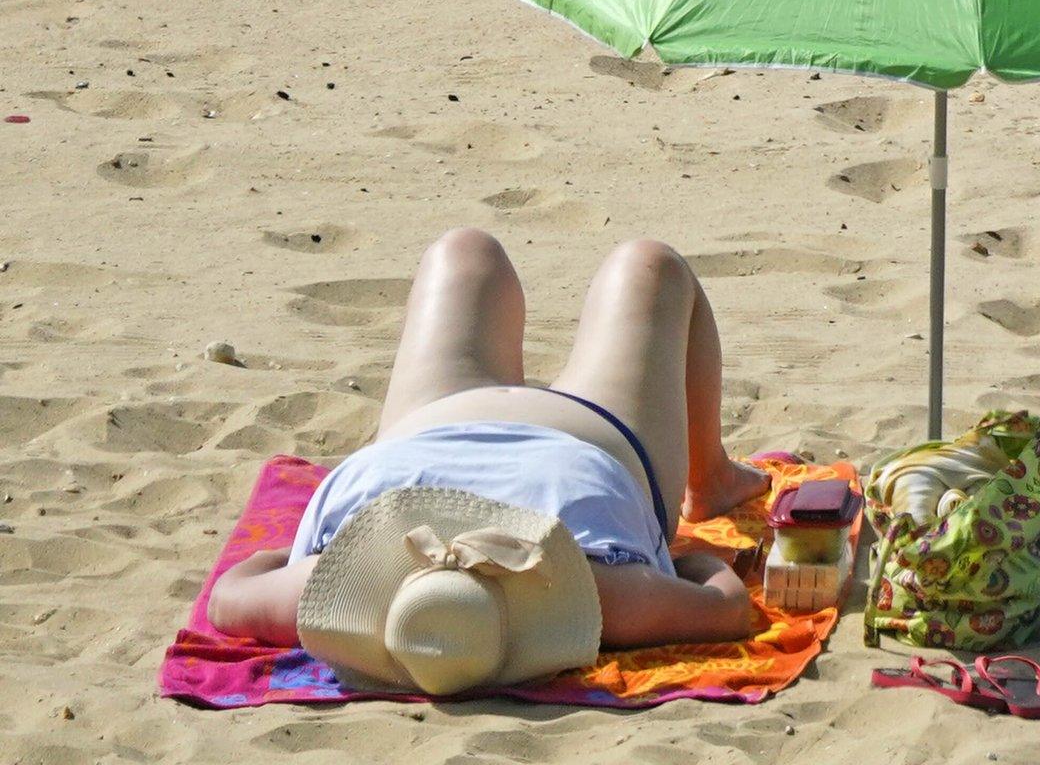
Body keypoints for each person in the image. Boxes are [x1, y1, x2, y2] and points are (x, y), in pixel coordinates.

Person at [205, 229, 772, 693]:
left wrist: (685, 564)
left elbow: (722, 604)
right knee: (463, 253)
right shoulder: (323, 592)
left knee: (649, 269)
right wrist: (340, 550)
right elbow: (232, 593)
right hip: (428, 435)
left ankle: (710, 480)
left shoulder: (603, 597)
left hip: (583, 448)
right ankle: (713, 476)